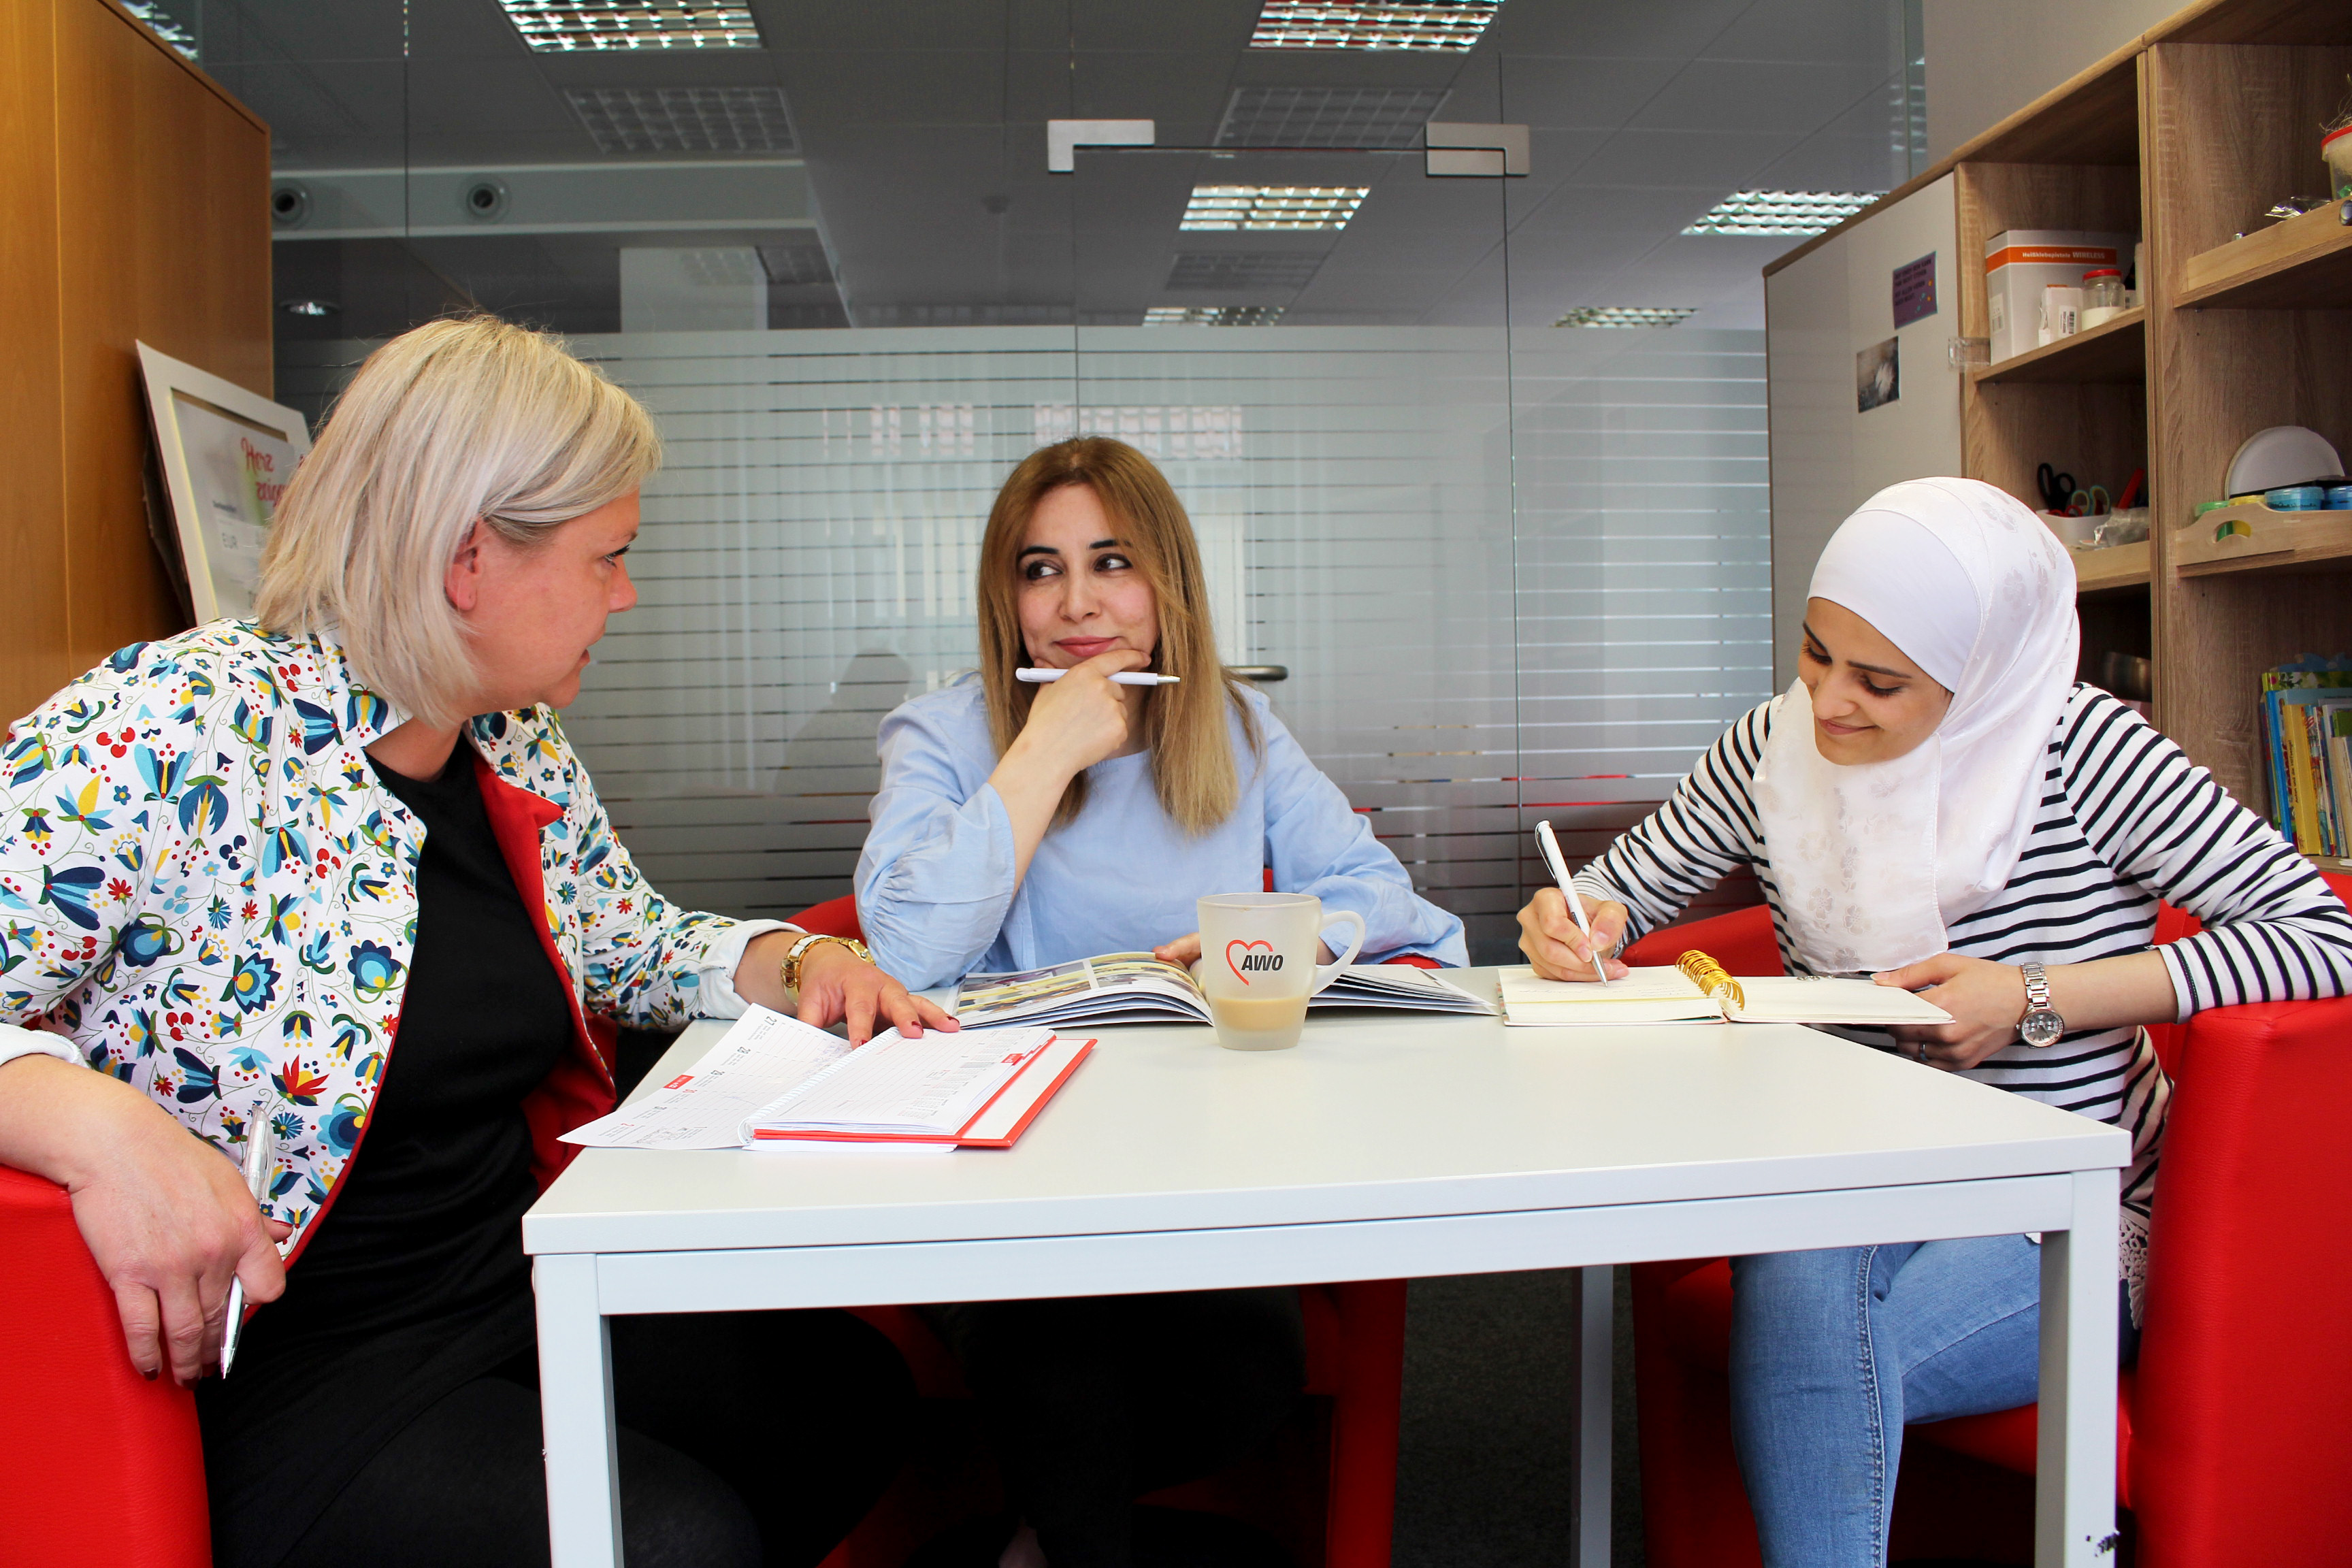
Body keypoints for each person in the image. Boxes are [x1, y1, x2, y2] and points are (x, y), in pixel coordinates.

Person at [0, 316, 954, 1568]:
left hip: (505, 1286)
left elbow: (629, 939)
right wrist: (94, 1123)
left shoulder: (506, 736)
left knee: (847, 1405)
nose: (627, 592)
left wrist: (794, 961)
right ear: (468, 562)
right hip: (284, 1366)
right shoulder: (180, 726)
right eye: (608, 556)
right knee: (679, 1542)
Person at [1518, 477, 2352, 1567]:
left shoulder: (2082, 748)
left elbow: (2322, 933)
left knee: (1806, 1342)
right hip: (1860, 1170)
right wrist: (1574, 922)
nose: (1827, 705)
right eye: (1814, 654)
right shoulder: (1776, 747)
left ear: (1986, 674)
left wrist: (2036, 999)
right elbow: (1620, 891)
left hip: (2064, 1207)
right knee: (1803, 1271)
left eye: (1881, 682)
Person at [858, 438, 1465, 1568]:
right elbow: (904, 945)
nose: (1078, 604)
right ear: (1008, 592)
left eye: (1112, 563)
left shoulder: (1232, 729)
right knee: (1058, 1342)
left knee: (1242, 1372)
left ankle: (1046, 1526)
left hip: (1194, 1152)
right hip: (1001, 1164)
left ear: (1169, 581)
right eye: (1041, 570)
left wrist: (1293, 935)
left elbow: (1380, 893)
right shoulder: (944, 735)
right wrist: (1040, 755)